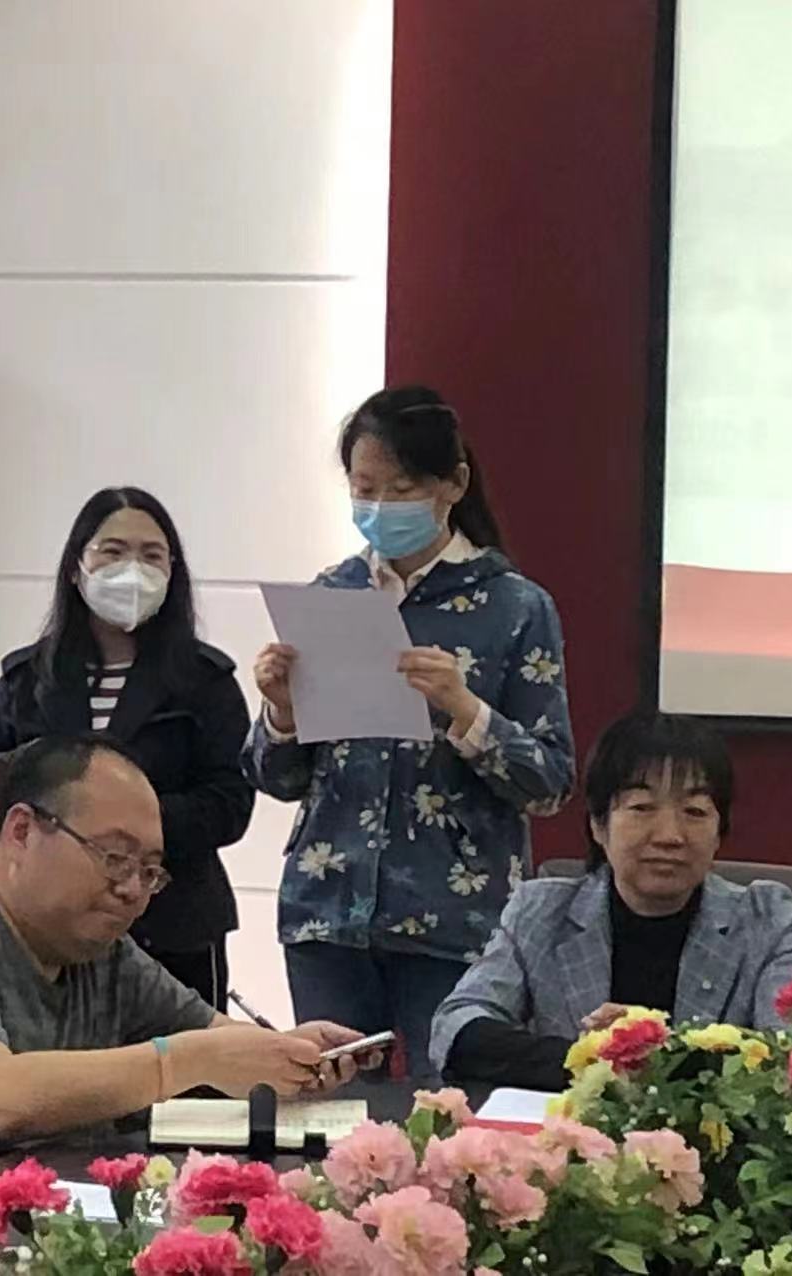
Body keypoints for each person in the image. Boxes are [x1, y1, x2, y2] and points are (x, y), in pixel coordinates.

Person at [0, 735, 369, 1219]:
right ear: (22, 831)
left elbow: (215, 1039)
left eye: (150, 872)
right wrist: (184, 1061)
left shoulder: (102, 951)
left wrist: (284, 1056)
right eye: (114, 858)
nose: (132, 889)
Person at [243, 385, 575, 1080]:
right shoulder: (332, 594)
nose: (380, 508)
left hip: (455, 914)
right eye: (365, 489)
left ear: (454, 483)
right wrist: (282, 713)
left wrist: (465, 711)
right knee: (332, 1110)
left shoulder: (513, 606)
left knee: (444, 1109)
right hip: (328, 907)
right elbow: (274, 779)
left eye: (402, 490)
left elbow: (549, 783)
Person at [0, 488, 254, 1008]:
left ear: (173, 574)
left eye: (151, 555)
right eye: (113, 552)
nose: (132, 570)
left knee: (184, 1057)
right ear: (77, 569)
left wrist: (120, 833)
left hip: (172, 924)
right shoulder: (28, 679)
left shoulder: (205, 681)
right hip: (43, 928)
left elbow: (229, 804)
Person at [430, 710, 792, 1090]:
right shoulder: (541, 910)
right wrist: (592, 1060)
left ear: (719, 834)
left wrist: (655, 1051)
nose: (669, 835)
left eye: (695, 812)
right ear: (599, 825)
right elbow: (456, 1024)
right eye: (642, 807)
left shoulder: (767, 919)